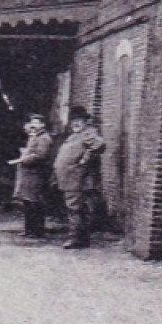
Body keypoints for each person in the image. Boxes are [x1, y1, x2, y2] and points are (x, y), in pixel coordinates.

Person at [53, 104, 107, 249]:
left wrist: (86, 158)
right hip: (69, 179)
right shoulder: (74, 136)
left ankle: (75, 238)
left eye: (79, 120)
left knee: (74, 208)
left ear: (85, 121)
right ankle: (81, 238)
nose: (75, 123)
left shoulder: (88, 133)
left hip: (77, 179)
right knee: (75, 209)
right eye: (73, 120)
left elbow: (99, 144)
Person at [8, 113, 53, 238]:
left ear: (43, 125)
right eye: (33, 122)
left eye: (37, 122)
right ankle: (29, 229)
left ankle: (37, 230)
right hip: (28, 174)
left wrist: (21, 160)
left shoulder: (44, 138)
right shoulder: (34, 137)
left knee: (35, 202)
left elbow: (39, 156)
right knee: (27, 202)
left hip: (36, 174)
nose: (34, 124)